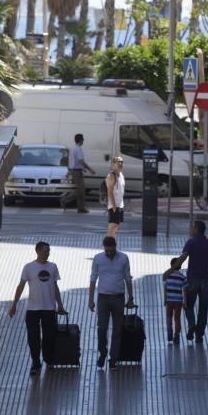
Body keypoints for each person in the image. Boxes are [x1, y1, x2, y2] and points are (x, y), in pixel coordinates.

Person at [9, 241, 66, 376]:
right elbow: (21, 286)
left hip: (49, 308)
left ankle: (48, 360)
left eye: (48, 251)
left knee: (49, 337)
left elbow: (55, 287)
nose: (47, 253)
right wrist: (14, 305)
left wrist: (60, 305)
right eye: (45, 251)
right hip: (32, 309)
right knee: (33, 338)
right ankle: (36, 362)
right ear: (38, 251)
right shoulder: (29, 267)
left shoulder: (53, 267)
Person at [164, 220, 208, 344]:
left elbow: (182, 259)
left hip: (192, 280)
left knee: (188, 306)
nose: (191, 230)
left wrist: (170, 270)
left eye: (193, 228)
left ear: (196, 229)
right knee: (203, 308)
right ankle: (199, 335)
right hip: (206, 281)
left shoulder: (191, 242)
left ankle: (191, 325)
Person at [88, 236, 135, 371]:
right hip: (102, 298)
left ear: (115, 246)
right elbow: (93, 279)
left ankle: (113, 359)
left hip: (119, 298)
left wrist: (130, 298)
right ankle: (102, 353)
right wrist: (90, 299)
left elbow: (128, 278)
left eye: (111, 250)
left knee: (117, 330)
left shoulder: (124, 258)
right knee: (101, 328)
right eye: (106, 251)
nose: (108, 253)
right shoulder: (98, 258)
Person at [60, 133, 96, 213]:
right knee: (80, 190)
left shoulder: (72, 148)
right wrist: (90, 169)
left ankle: (81, 208)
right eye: (83, 139)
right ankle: (65, 199)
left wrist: (71, 170)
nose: (83, 141)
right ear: (80, 140)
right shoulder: (78, 149)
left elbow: (72, 161)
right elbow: (81, 161)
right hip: (76, 171)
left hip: (75, 170)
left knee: (81, 190)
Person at [163, 257, 187, 345]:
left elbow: (165, 288)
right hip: (178, 300)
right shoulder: (182, 277)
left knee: (169, 316)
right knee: (177, 318)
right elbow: (184, 291)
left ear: (171, 265)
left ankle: (169, 331)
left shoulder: (168, 275)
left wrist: (165, 299)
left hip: (169, 299)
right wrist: (185, 302)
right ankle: (176, 335)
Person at [106, 156, 126, 237]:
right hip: (114, 205)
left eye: (122, 162)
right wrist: (114, 207)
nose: (120, 163)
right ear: (113, 164)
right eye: (118, 162)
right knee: (112, 225)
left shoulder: (121, 175)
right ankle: (108, 244)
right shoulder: (111, 176)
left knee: (116, 225)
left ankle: (112, 242)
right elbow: (109, 192)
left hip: (120, 204)